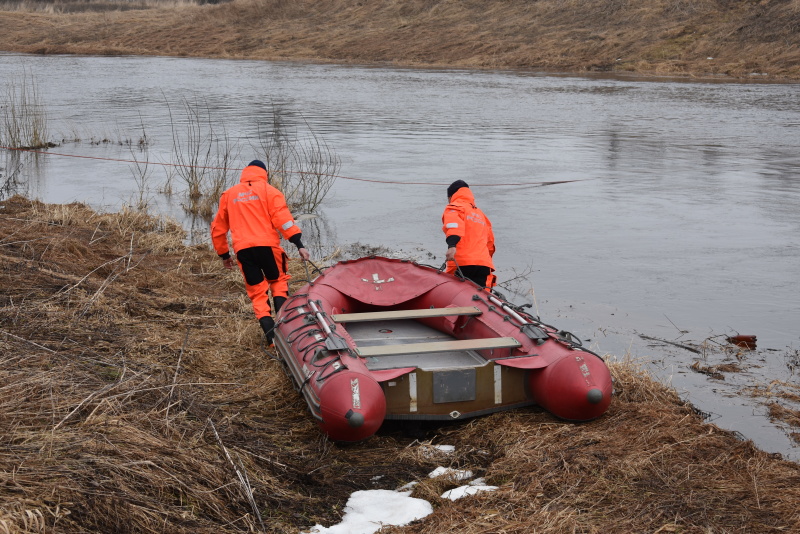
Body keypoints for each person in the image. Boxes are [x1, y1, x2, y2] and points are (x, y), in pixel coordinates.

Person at [210, 160, 310, 344]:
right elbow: (285, 221)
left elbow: (218, 229)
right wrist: (299, 244)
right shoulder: (270, 191)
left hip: (243, 251)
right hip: (268, 248)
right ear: (265, 173)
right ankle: (286, 333)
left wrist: (224, 255)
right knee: (278, 281)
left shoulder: (229, 194)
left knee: (257, 293)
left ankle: (271, 339)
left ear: (245, 173)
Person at [442, 179, 496, 288]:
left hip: (462, 263)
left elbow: (454, 226)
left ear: (450, 196)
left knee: (456, 296)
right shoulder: (481, 215)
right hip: (483, 264)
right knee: (480, 300)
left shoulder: (454, 207)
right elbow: (490, 243)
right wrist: (484, 259)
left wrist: (452, 246)